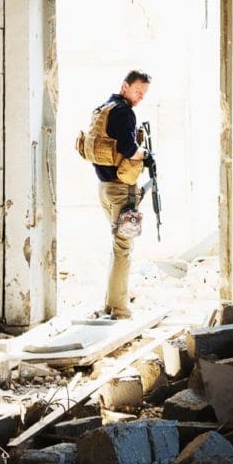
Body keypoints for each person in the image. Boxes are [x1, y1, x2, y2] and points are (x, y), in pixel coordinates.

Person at [90, 70, 151, 317]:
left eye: (144, 94)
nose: (140, 97)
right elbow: (130, 150)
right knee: (123, 246)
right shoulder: (124, 112)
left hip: (105, 188)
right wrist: (146, 155)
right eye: (138, 91)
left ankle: (111, 303)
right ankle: (118, 307)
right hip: (122, 192)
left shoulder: (104, 108)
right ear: (124, 86)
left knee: (119, 245)